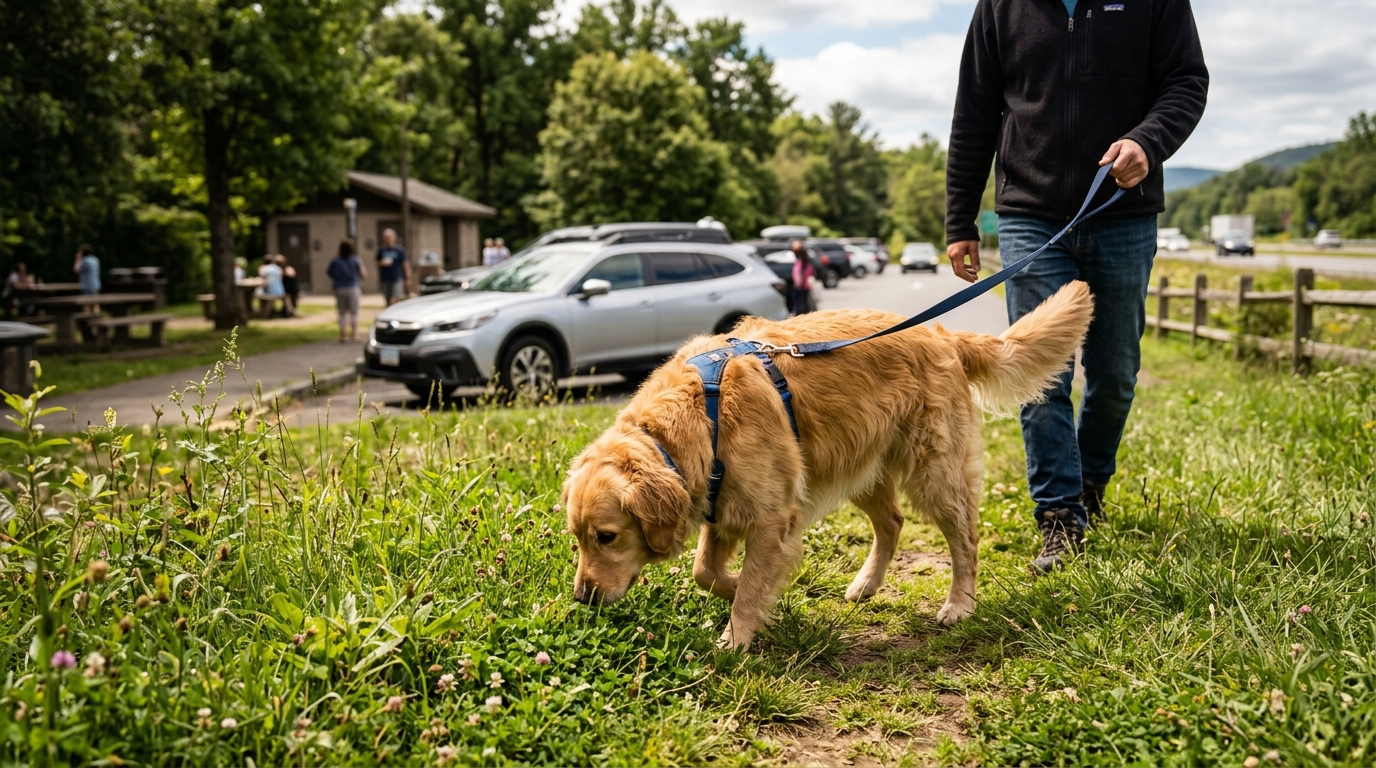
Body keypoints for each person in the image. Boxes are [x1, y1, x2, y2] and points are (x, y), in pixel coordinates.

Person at [944, 0, 1208, 573]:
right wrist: (960, 218)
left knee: (1114, 374)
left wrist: (1148, 141)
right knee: (1040, 372)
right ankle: (1060, 517)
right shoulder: (1000, 6)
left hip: (1124, 212)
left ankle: (1089, 486)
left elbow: (1186, 81)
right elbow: (975, 113)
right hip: (1029, 215)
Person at [327, 240, 366, 343]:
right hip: (353, 287)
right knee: (354, 312)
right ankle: (355, 333)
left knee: (342, 312)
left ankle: (343, 334)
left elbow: (329, 272)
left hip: (340, 288)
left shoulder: (335, 260)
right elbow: (363, 273)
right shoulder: (355, 260)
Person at [376, 228, 410, 305]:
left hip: (397, 278)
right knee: (388, 300)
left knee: (396, 299)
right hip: (385, 278)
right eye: (386, 238)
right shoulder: (381, 250)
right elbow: (377, 262)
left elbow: (405, 264)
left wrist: (408, 277)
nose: (388, 239)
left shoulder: (399, 250)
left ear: (394, 238)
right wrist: (382, 263)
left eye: (390, 237)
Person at [790, 240, 815, 315]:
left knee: (801, 301)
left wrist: (798, 283)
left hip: (801, 285)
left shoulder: (800, 261)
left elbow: (797, 273)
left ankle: (801, 315)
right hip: (805, 284)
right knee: (804, 300)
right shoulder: (805, 259)